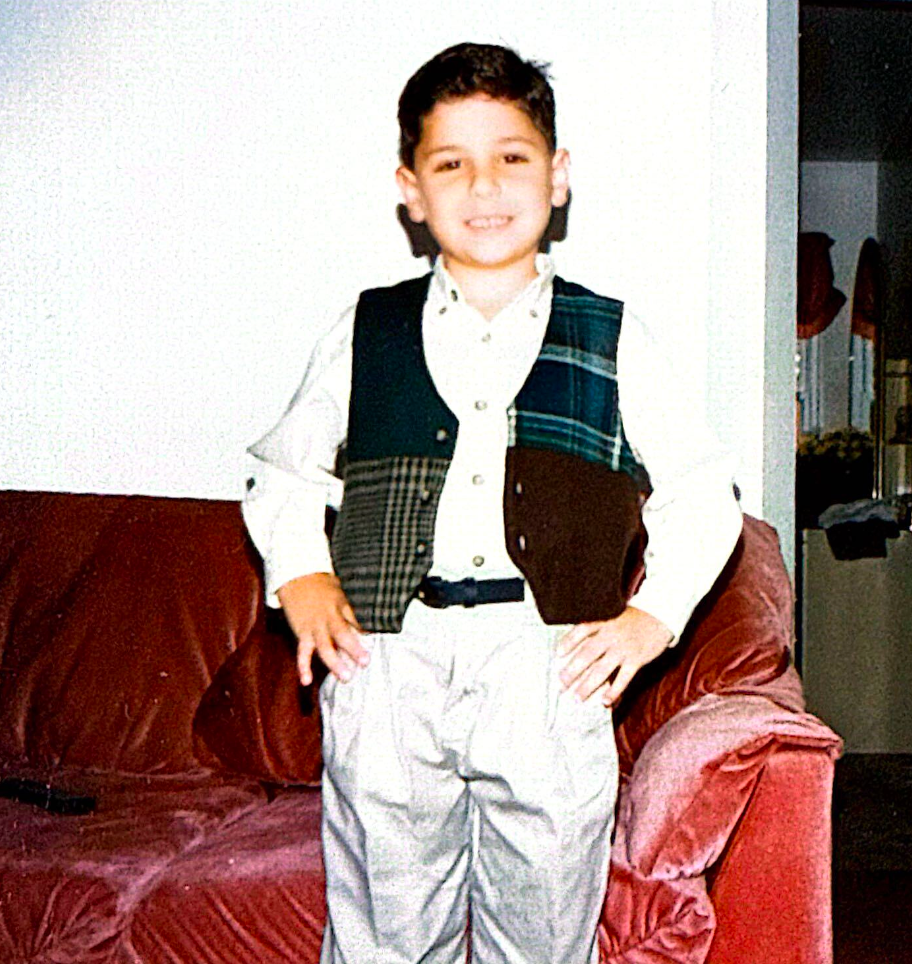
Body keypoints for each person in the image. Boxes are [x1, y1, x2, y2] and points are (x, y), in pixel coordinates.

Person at [241, 42, 742, 964]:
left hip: (547, 667)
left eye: (512, 157)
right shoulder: (363, 329)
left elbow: (704, 493)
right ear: (410, 188)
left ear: (557, 178)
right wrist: (303, 576)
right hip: (387, 659)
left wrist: (650, 620)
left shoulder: (614, 335)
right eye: (451, 163)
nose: (484, 185)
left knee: (545, 925)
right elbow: (282, 472)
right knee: (384, 930)